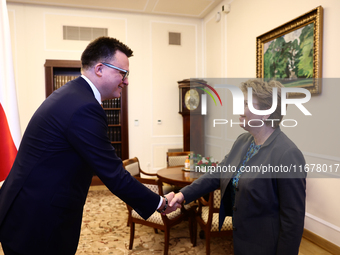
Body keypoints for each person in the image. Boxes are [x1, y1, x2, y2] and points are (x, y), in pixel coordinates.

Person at [0, 37, 179, 255]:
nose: (126, 81)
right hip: (38, 220)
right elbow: (114, 174)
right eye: (123, 73)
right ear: (100, 69)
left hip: (28, 210)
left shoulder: (73, 95)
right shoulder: (84, 107)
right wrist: (160, 203)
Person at [169, 79, 307, 255]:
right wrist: (183, 195)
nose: (239, 110)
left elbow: (292, 221)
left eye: (246, 104)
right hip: (240, 240)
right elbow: (217, 173)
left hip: (265, 248)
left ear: (266, 113)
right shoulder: (243, 141)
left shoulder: (287, 155)